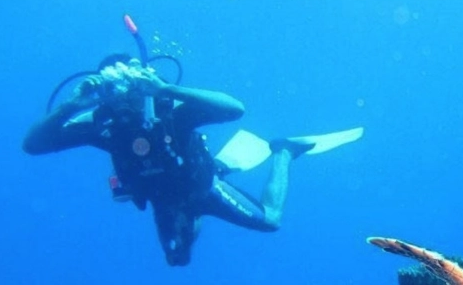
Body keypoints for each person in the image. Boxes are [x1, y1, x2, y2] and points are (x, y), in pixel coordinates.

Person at [23, 54, 361, 266]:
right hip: (164, 201)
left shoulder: (171, 113)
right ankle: (203, 199)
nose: (125, 97)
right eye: (115, 90)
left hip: (205, 189)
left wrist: (166, 91)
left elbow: (234, 108)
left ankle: (284, 151)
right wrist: (72, 105)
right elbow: (33, 145)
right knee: (177, 260)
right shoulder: (103, 127)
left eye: (132, 87)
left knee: (271, 220)